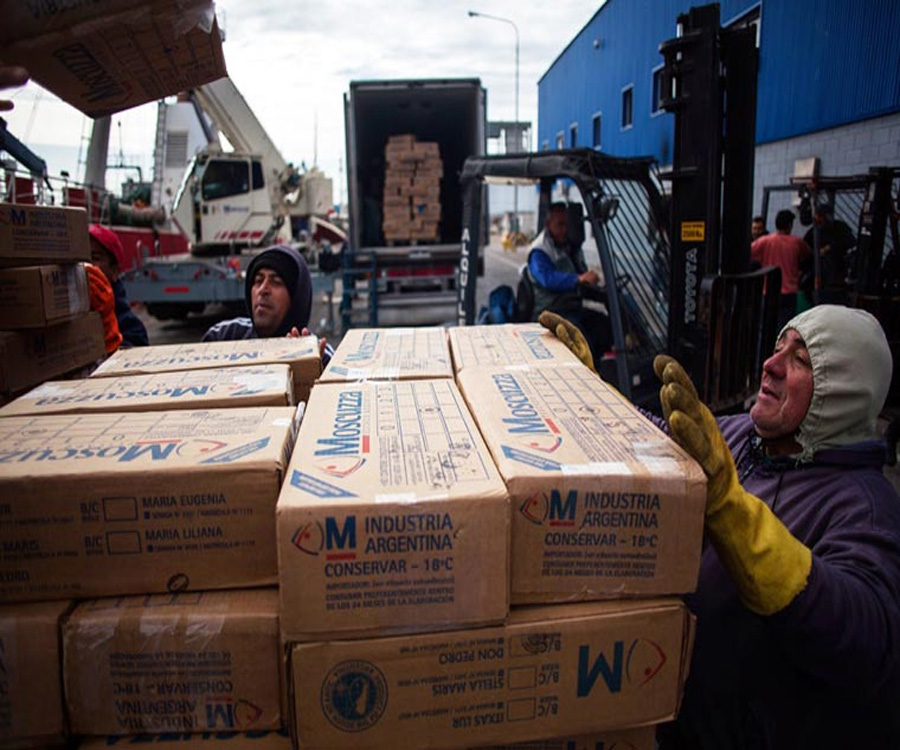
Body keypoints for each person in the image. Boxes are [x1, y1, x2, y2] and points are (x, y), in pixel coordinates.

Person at [541, 306, 900, 749]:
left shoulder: (865, 506)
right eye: (777, 348)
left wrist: (732, 512)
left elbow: (864, 637)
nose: (771, 365)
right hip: (673, 712)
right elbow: (656, 443)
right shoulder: (742, 437)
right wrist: (591, 393)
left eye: (802, 360)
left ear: (842, 392)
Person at [202, 244, 332, 362]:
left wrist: (308, 374)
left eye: (276, 282)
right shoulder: (223, 337)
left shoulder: (321, 357)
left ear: (296, 298)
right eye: (258, 281)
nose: (263, 290)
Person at [525, 202, 612, 362]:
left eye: (567, 225)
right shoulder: (540, 251)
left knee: (605, 327)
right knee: (583, 343)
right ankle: (588, 378)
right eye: (560, 225)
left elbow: (580, 272)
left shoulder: (567, 247)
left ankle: (605, 367)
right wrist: (578, 279)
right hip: (550, 312)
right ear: (548, 224)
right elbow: (548, 279)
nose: (565, 230)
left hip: (570, 308)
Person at [88, 224, 149, 348]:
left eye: (95, 258)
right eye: (83, 257)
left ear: (115, 271)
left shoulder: (132, 330)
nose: (87, 265)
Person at [751, 209, 811, 330]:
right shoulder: (797, 242)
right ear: (789, 225)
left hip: (768, 291)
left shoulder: (765, 241)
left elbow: (749, 252)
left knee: (765, 328)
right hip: (789, 293)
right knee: (784, 329)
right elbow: (807, 255)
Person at [802, 201, 856, 304]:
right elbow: (806, 252)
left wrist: (830, 248)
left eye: (820, 216)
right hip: (819, 276)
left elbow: (851, 244)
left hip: (838, 274)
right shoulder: (813, 232)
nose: (818, 219)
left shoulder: (840, 228)